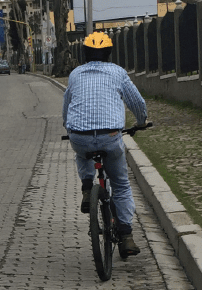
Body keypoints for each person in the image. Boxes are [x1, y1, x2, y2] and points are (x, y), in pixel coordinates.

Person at [62, 31, 148, 259]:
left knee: (82, 152)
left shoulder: (75, 74)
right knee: (120, 184)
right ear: (109, 53)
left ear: (85, 53)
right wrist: (141, 122)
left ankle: (88, 187)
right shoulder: (118, 73)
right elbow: (137, 102)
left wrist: (68, 127)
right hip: (111, 136)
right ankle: (127, 235)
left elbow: (66, 104)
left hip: (79, 135)